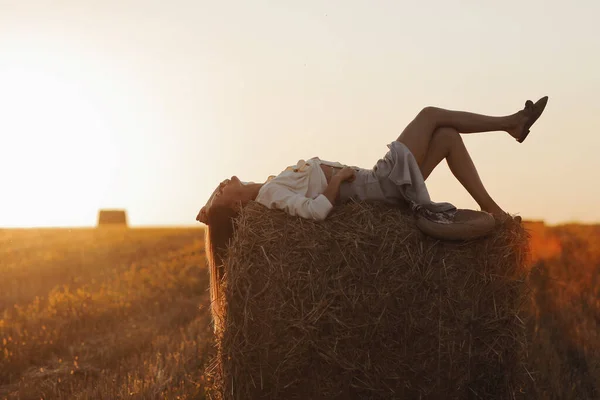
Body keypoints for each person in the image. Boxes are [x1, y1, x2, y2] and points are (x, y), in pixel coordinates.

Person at [197, 96, 549, 329]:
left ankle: (495, 211)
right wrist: (337, 183)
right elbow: (317, 211)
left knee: (446, 138)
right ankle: (511, 123)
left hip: (372, 184)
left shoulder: (270, 186)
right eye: (221, 188)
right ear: (232, 203)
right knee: (429, 115)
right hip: (374, 186)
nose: (226, 180)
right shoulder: (270, 195)